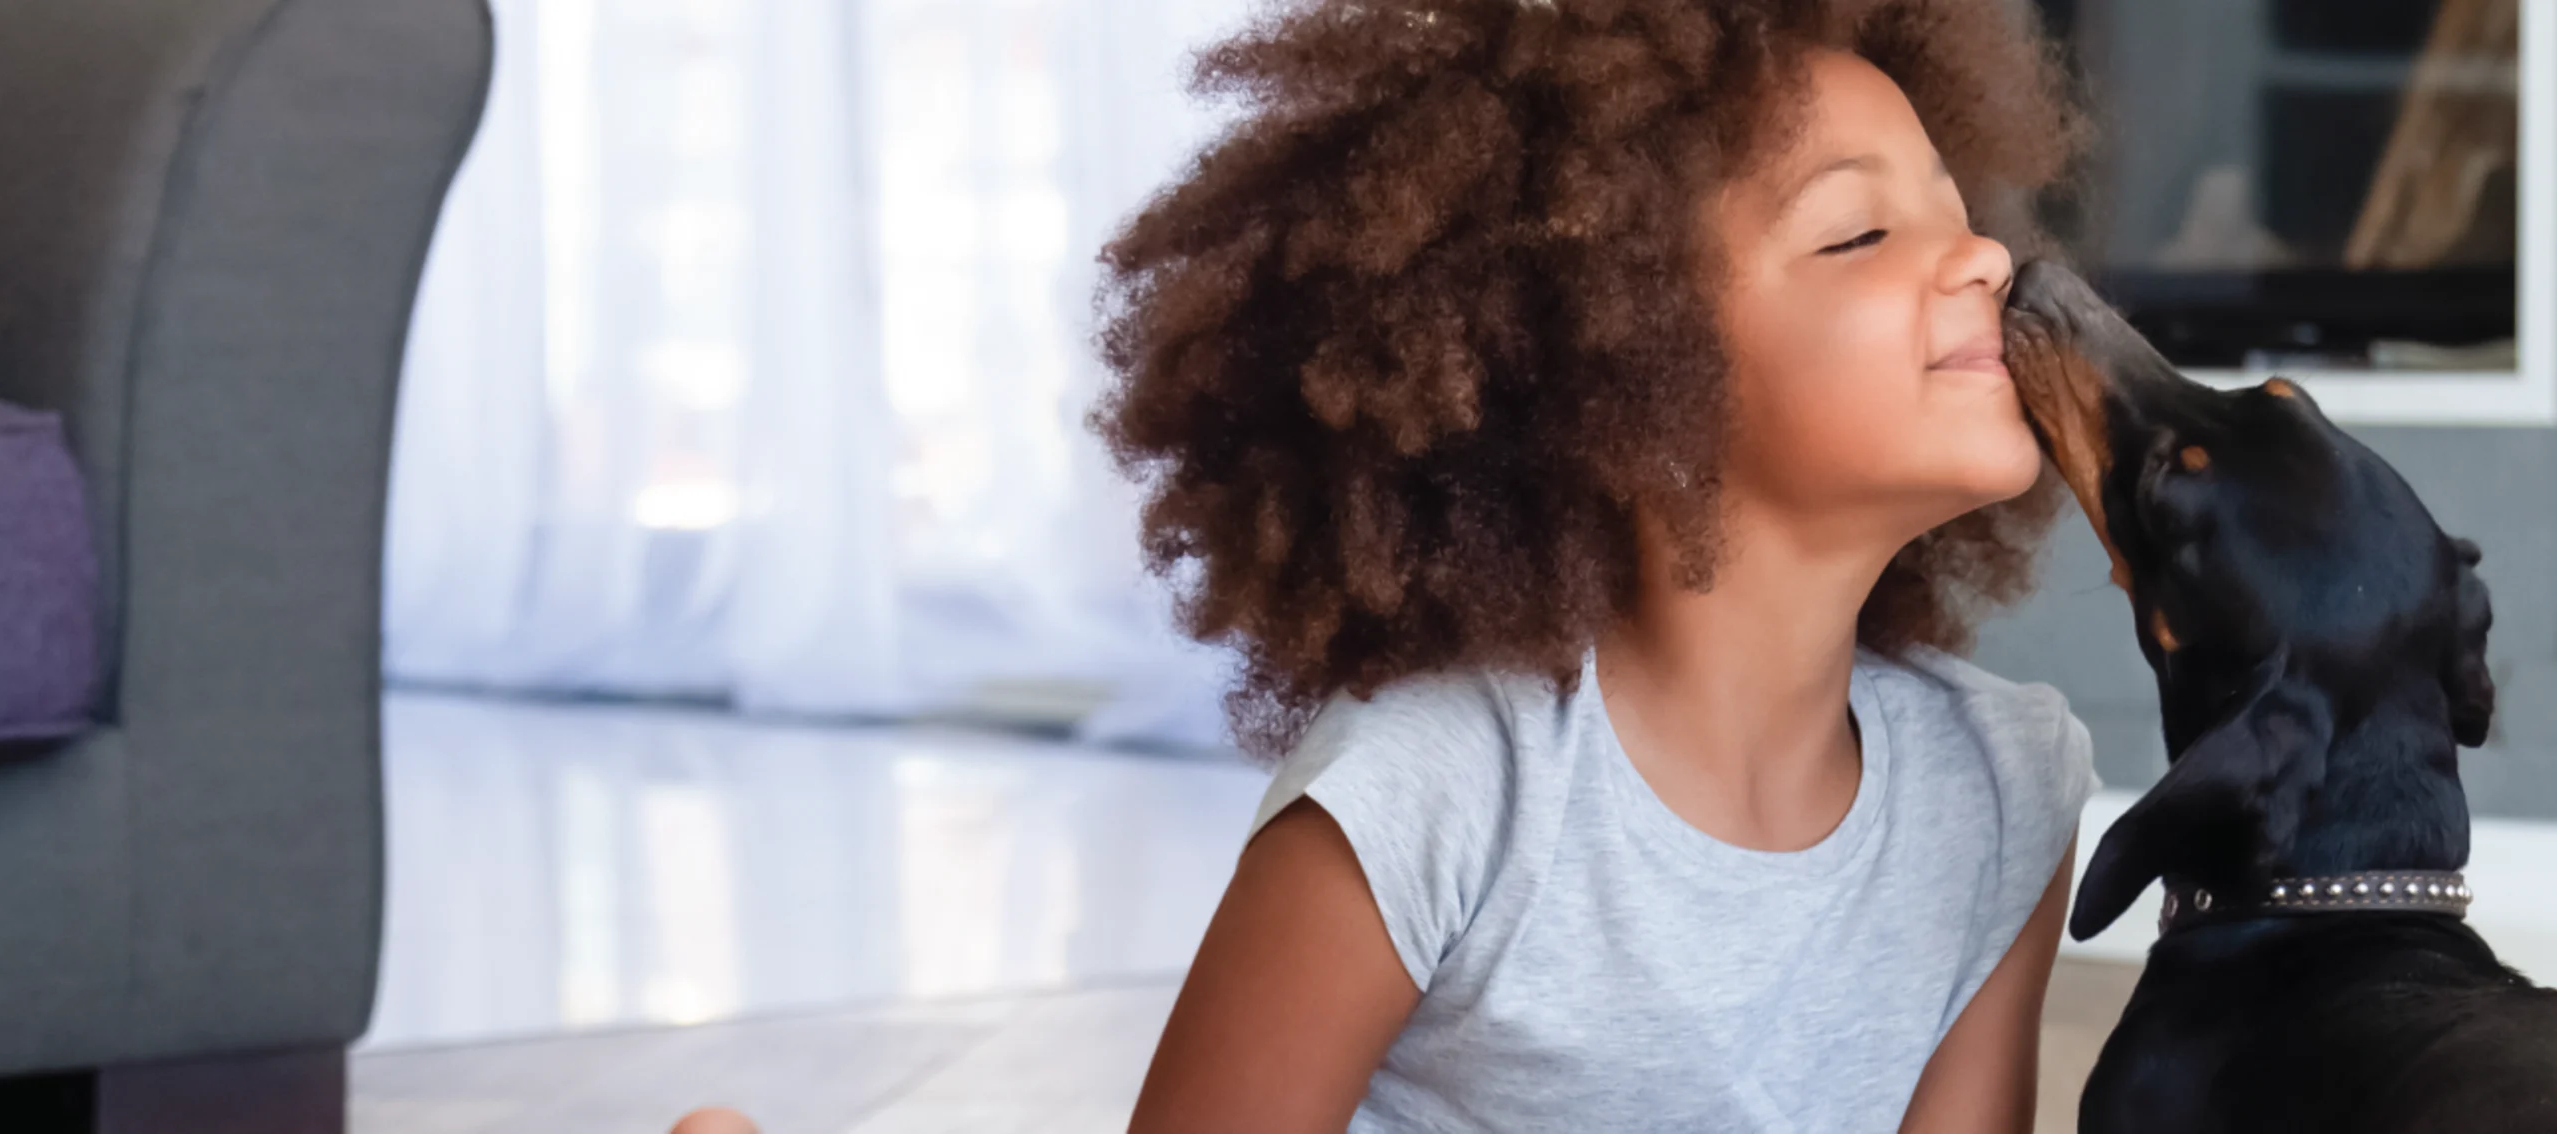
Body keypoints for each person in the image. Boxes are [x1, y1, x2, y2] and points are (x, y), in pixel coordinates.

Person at [674, 0, 2093, 1129]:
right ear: (1624, 375)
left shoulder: (2000, 785)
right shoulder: (1440, 784)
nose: (1978, 255)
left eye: (1958, 205)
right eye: (1857, 229)